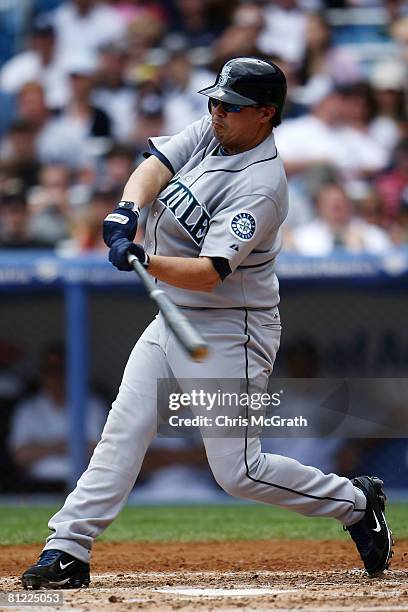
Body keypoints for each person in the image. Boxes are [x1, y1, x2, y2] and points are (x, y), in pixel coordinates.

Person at [21, 57, 393, 590]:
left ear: (266, 114)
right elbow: (154, 164)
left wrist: (144, 260)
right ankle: (68, 548)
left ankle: (356, 501)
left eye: (233, 106)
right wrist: (127, 210)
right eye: (215, 101)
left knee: (238, 472)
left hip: (228, 330)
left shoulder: (262, 183)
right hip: (172, 317)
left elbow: (211, 272)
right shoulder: (213, 131)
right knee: (121, 433)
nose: (218, 111)